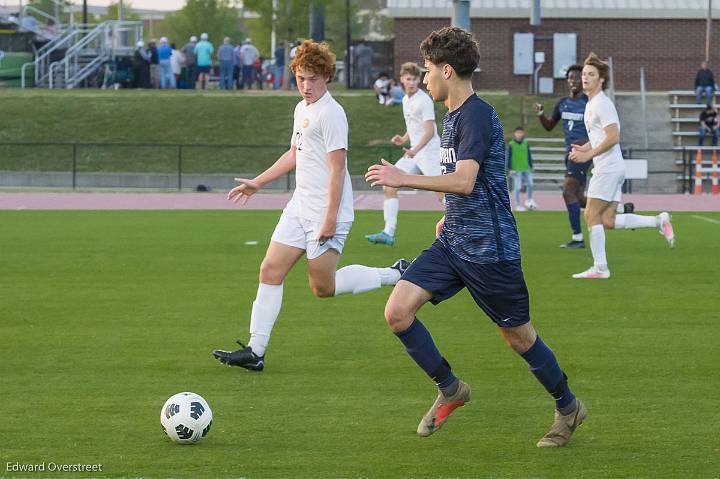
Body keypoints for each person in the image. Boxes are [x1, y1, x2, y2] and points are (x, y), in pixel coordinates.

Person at [365, 26, 586, 447]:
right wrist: (448, 217)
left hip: (490, 250)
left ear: (447, 70)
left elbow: (465, 181)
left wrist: (403, 179)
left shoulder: (477, 115)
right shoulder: (453, 117)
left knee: (519, 337)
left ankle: (568, 406)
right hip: (454, 241)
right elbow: (467, 184)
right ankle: (451, 389)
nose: (424, 77)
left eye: (428, 69)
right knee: (398, 312)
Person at [212, 40, 408, 372]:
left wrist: (329, 219)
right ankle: (255, 350)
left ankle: (394, 273)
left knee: (323, 288)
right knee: (270, 270)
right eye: (301, 78)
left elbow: (337, 169)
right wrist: (259, 182)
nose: (306, 85)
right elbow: (294, 153)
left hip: (326, 212)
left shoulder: (332, 113)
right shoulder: (301, 109)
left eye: (313, 78)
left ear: (326, 77)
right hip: (299, 207)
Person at [569, 53, 675, 279]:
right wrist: (585, 149)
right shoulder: (591, 105)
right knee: (607, 220)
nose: (585, 78)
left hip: (607, 167)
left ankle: (600, 268)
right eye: (584, 74)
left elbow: (613, 137)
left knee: (590, 214)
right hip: (611, 167)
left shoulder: (601, 104)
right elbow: (599, 136)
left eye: (591, 75)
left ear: (601, 80)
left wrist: (589, 156)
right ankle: (659, 220)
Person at [366, 62, 443, 246]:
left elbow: (430, 131)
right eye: (408, 79)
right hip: (414, 152)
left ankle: (464, 227)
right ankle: (388, 233)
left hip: (429, 152)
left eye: (415, 79)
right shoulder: (407, 100)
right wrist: (404, 137)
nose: (412, 82)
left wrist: (415, 149)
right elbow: (415, 126)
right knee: (389, 184)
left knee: (442, 193)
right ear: (401, 79)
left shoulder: (423, 100)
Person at [507, 126, 536, 211]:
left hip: (526, 168)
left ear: (523, 134)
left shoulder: (526, 143)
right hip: (516, 169)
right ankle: (518, 205)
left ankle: (529, 201)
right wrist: (510, 169)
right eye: (517, 133)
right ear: (514, 134)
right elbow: (509, 157)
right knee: (517, 187)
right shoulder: (511, 144)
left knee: (530, 184)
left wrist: (531, 165)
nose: (519, 134)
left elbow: (529, 155)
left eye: (520, 133)